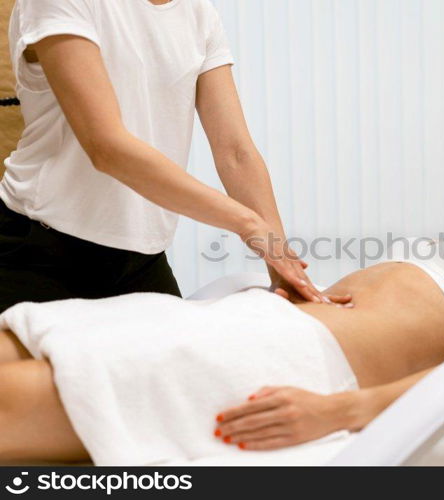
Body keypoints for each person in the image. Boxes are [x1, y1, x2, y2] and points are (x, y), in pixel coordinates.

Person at [0, 148, 444, 463]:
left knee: (21, 398)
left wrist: (342, 411)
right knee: (30, 338)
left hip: (289, 357)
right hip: (250, 321)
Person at [0, 0, 340, 314]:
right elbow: (107, 147)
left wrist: (282, 266)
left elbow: (235, 152)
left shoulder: (197, 12)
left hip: (141, 262)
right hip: (38, 251)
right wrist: (249, 224)